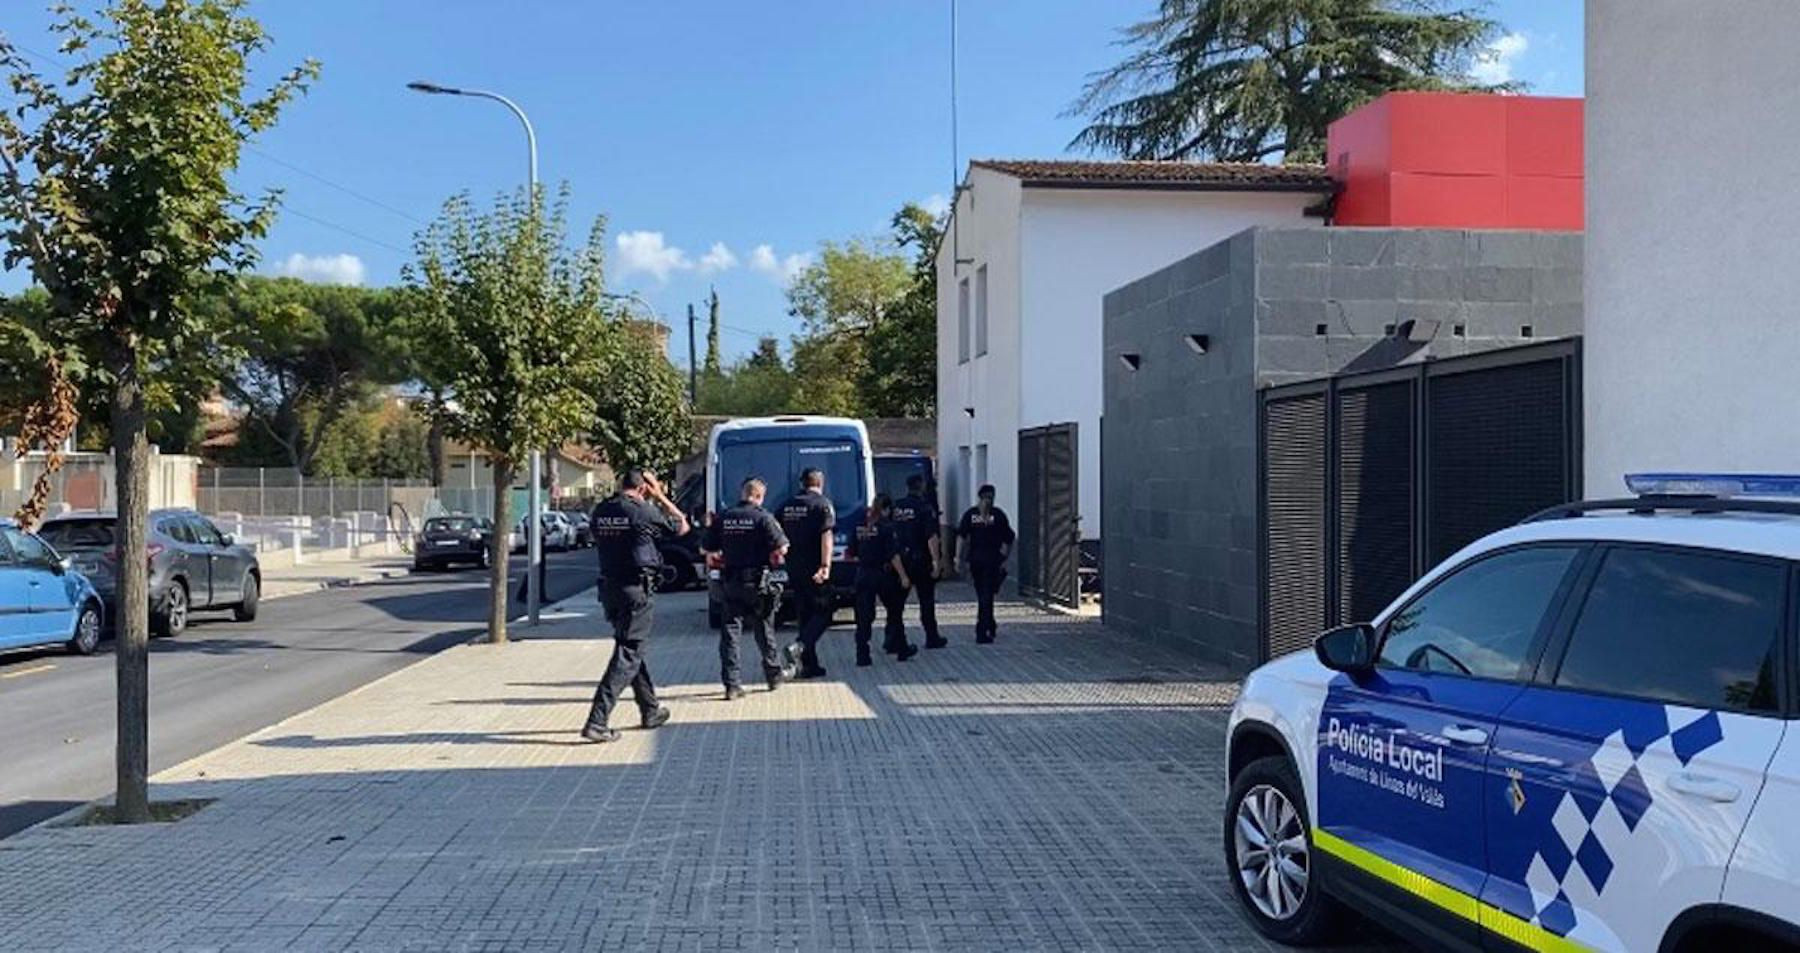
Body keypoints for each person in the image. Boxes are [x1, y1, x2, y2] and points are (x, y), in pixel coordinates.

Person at [580, 468, 689, 743]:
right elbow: (682, 526)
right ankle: (597, 721)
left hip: (610, 589)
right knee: (628, 653)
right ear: (643, 489)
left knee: (630, 648)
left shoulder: (601, 510)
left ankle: (650, 709)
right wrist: (661, 497)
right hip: (636, 591)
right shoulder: (643, 511)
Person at [703, 477, 789, 699]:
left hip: (732, 581)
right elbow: (782, 548)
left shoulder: (724, 517)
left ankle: (732, 685)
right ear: (760, 496)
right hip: (759, 582)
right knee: (764, 629)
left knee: (730, 632)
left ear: (743, 493)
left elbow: (707, 548)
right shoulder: (763, 518)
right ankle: (773, 676)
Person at [777, 467, 835, 679]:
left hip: (793, 568)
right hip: (814, 568)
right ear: (820, 483)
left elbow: (775, 533)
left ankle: (810, 665)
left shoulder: (786, 505)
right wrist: (825, 565)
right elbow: (826, 537)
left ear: (802, 483)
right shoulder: (822, 505)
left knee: (805, 615)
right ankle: (799, 647)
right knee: (824, 612)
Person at [849, 494, 916, 666]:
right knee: (894, 612)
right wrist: (903, 576)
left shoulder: (860, 526)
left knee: (864, 617)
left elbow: (852, 551)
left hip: (863, 574)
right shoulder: (887, 527)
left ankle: (862, 654)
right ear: (886, 509)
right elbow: (893, 555)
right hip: (882, 575)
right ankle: (902, 649)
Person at [887, 473, 946, 650]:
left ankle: (892, 639)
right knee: (926, 601)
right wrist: (937, 561)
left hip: (900, 560)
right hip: (920, 560)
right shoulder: (924, 508)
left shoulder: (896, 507)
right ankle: (932, 637)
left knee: (896, 603)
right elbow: (932, 537)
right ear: (920, 486)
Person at [956, 484, 1015, 644]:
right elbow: (1009, 539)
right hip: (992, 561)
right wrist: (1005, 558)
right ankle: (982, 630)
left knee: (983, 595)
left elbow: (961, 537)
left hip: (976, 561)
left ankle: (989, 624)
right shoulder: (998, 515)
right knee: (986, 596)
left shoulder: (971, 515)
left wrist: (958, 558)